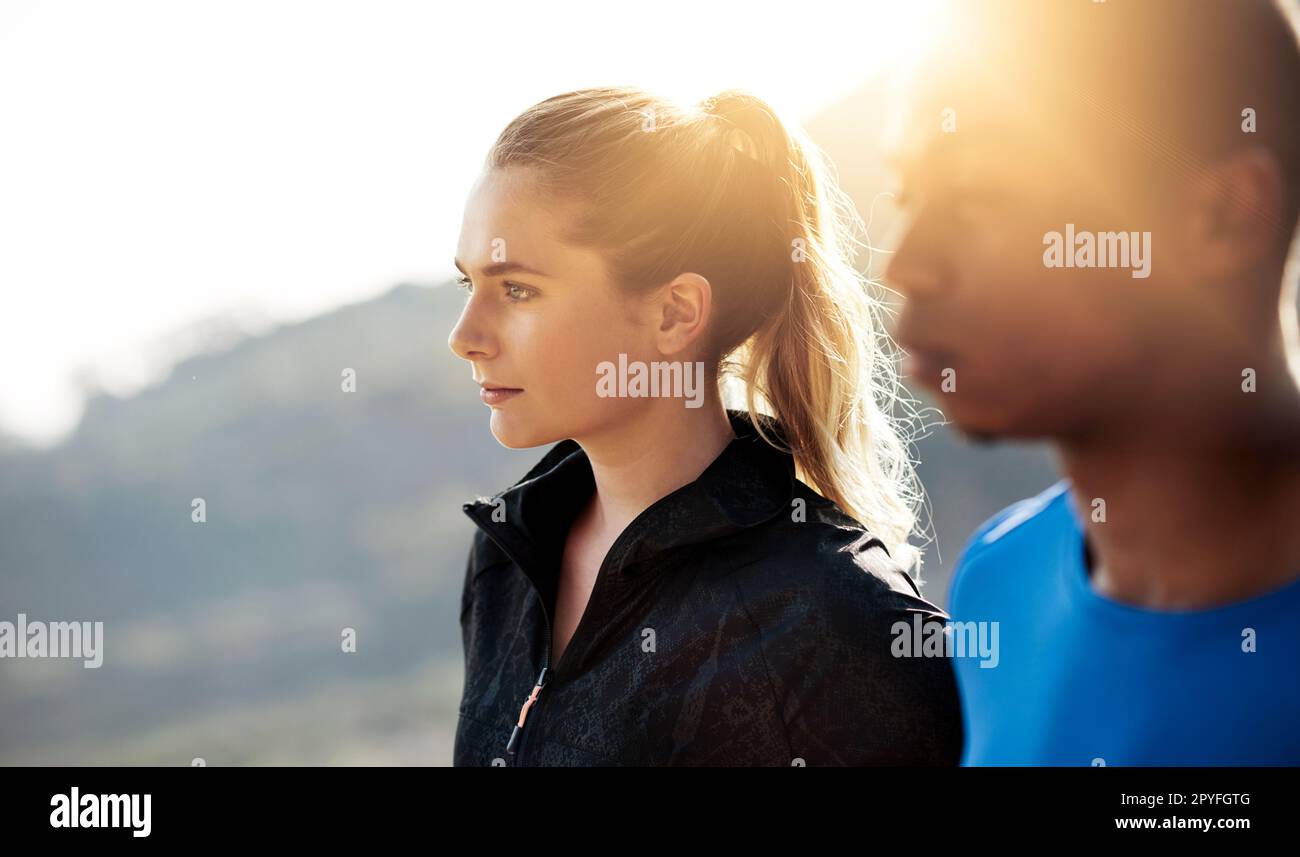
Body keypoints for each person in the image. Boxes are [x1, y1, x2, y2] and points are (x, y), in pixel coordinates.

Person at [447, 86, 961, 765]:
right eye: (468, 284)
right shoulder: (505, 561)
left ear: (674, 313)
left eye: (517, 289)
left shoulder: (836, 621)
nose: (465, 336)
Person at [885, 0, 1300, 764]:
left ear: (1223, 218)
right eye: (908, 194)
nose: (904, 262)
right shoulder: (996, 581)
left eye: (977, 194)